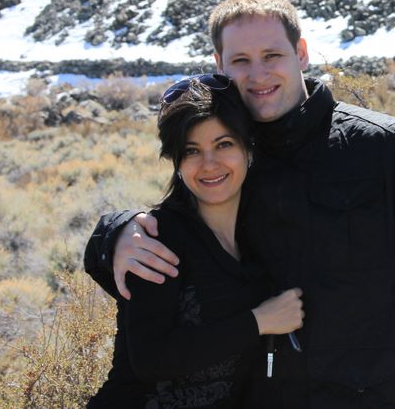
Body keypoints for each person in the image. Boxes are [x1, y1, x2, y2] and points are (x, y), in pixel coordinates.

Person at [86, 0, 395, 408]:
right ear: (220, 65)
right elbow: (180, 230)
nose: (258, 74)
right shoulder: (229, 154)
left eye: (272, 55)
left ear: (300, 53)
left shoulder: (388, 147)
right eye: (241, 61)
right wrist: (114, 234)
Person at [88, 74, 304, 408]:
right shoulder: (157, 239)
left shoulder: (260, 237)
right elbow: (151, 358)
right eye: (192, 151)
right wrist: (259, 321)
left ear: (248, 147)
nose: (209, 164)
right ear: (176, 162)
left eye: (224, 144)